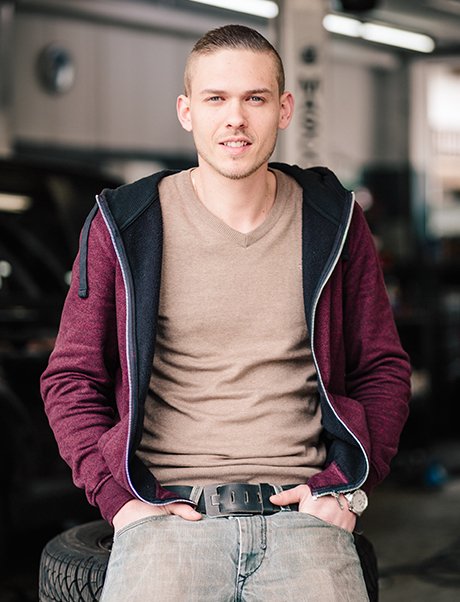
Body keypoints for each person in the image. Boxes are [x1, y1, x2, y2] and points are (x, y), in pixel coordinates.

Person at [41, 24, 411, 601]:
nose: (235, 118)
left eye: (254, 98)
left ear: (283, 109)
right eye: (216, 98)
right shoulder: (126, 224)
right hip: (166, 517)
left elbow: (383, 368)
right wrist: (119, 502)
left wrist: (346, 488)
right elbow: (71, 378)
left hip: (304, 517)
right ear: (187, 111)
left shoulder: (333, 221)